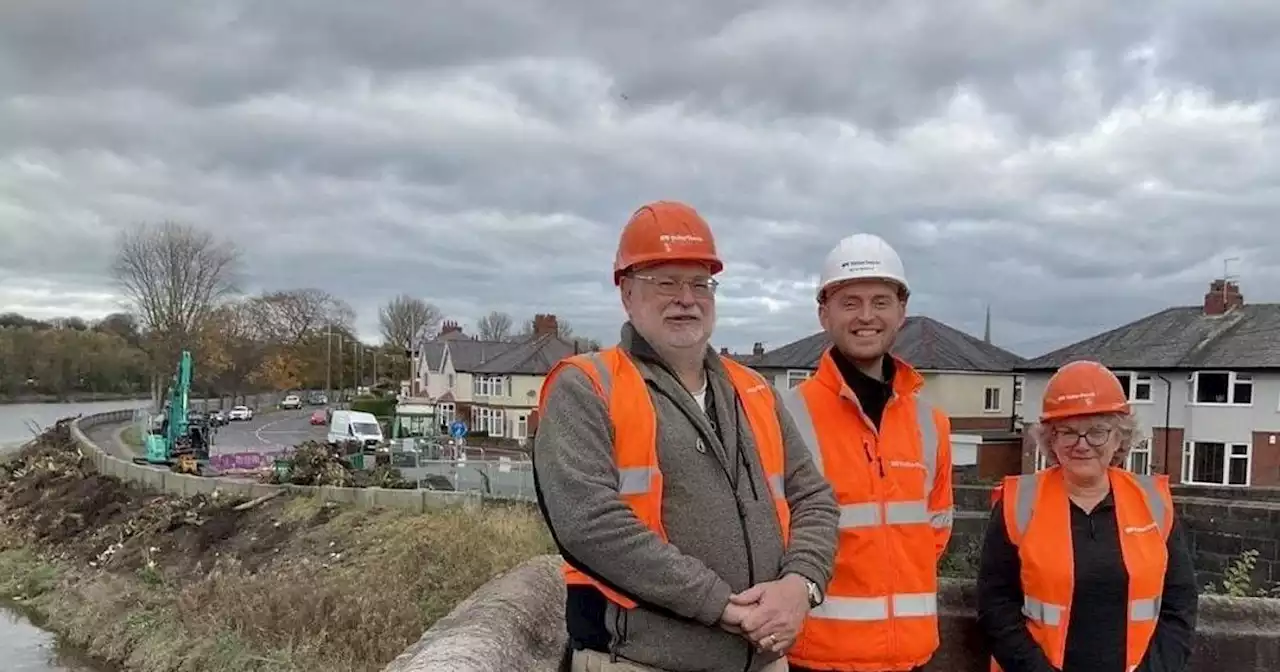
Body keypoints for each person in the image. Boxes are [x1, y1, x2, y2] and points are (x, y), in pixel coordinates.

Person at [533, 200, 840, 672]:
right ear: (627, 294)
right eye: (665, 282)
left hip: (762, 662)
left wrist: (801, 584)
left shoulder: (754, 389)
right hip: (636, 662)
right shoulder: (588, 385)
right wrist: (719, 604)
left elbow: (814, 498)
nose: (686, 298)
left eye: (701, 284)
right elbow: (589, 523)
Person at [778, 233, 954, 672]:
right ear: (824, 313)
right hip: (817, 658)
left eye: (880, 301)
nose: (866, 316)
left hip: (911, 657)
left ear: (901, 311)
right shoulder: (784, 416)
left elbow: (934, 531)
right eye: (849, 302)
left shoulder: (931, 423)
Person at [978, 360, 1198, 672]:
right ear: (1051, 439)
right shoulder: (1018, 503)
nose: (1082, 445)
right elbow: (996, 607)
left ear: (1119, 438)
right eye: (1067, 432)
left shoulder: (1153, 502)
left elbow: (1180, 605)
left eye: (1097, 431)